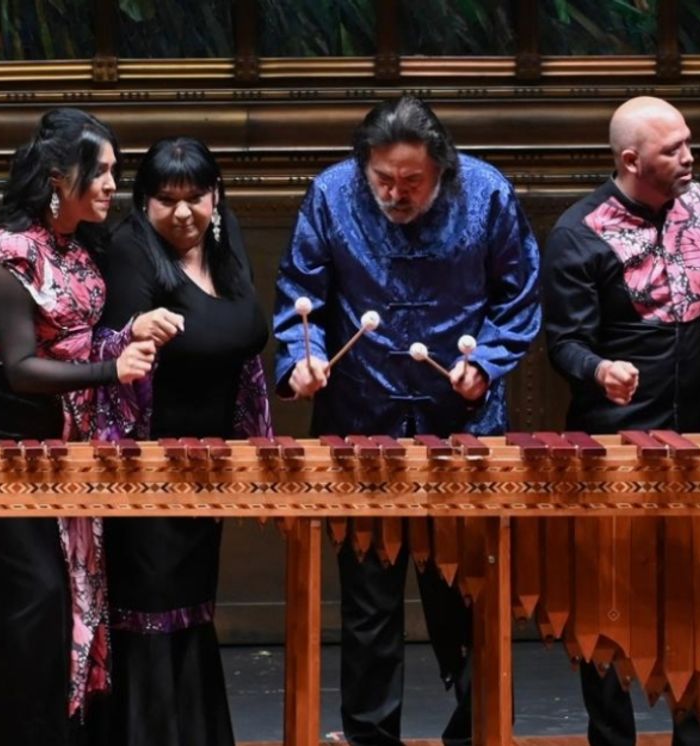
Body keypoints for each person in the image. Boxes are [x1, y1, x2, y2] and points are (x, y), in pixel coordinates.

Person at [272, 95, 541, 746]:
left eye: (411, 181)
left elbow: (519, 293)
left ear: (441, 169)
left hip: (461, 429)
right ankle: (369, 739)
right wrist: (302, 361)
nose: (396, 193)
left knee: (468, 598)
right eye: (383, 180)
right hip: (362, 424)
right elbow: (300, 295)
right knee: (368, 606)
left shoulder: (487, 192)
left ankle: (474, 734)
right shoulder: (332, 194)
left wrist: (490, 363)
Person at [0, 108, 169, 746]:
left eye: (113, 173)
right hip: (1, 451)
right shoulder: (6, 253)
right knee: (32, 600)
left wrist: (130, 334)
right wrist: (111, 367)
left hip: (63, 447)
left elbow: (77, 342)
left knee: (71, 599)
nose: (109, 185)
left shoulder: (77, 244)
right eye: (98, 171)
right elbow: (21, 368)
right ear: (56, 176)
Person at [541, 95, 700, 746]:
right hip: (615, 441)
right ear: (631, 160)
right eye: (673, 149)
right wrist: (598, 369)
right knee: (608, 610)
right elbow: (563, 341)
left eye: (688, 142)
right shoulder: (580, 231)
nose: (689, 156)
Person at [96, 137, 270, 746]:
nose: (183, 212)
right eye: (166, 200)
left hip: (210, 468)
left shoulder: (225, 245)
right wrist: (133, 336)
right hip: (144, 469)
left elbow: (246, 342)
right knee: (148, 614)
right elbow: (113, 360)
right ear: (144, 203)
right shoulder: (130, 251)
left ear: (215, 197)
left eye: (195, 197)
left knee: (192, 609)